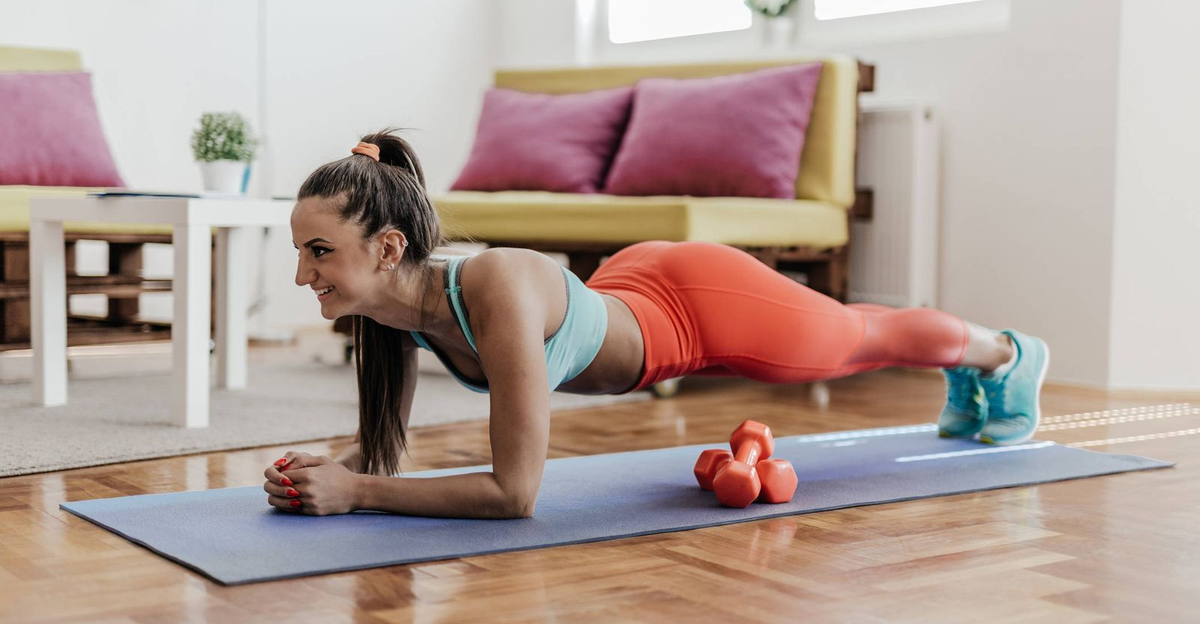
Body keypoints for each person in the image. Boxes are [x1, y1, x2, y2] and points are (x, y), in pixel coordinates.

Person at [265, 130, 1049, 519]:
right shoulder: (390, 311)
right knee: (855, 328)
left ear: (389, 246)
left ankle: (1004, 353)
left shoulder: (492, 286)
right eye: (302, 251)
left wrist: (356, 492)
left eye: (320, 251)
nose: (304, 274)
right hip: (633, 289)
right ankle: (978, 363)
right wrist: (321, 472)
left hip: (697, 307)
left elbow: (515, 491)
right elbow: (383, 450)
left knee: (855, 339)